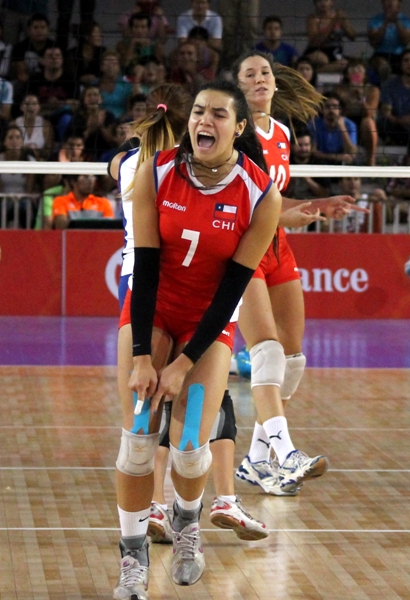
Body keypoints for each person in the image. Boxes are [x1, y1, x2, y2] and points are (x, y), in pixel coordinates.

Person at [112, 79, 282, 598]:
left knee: (189, 448)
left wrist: (185, 362)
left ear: (238, 127)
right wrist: (144, 356)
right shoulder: (156, 173)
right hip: (153, 312)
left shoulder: (260, 193)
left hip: (209, 322)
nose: (203, 122)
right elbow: (143, 266)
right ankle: (133, 557)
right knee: (139, 438)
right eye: (198, 113)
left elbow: (233, 288)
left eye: (217, 115)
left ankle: (188, 522)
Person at [232, 50, 367, 496]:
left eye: (264, 72)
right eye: (248, 74)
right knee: (266, 352)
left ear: (274, 81)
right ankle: (286, 453)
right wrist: (284, 215)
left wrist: (318, 206)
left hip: (277, 245)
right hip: (241, 247)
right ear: (238, 85)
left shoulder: (283, 134)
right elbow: (246, 203)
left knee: (292, 359)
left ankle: (255, 460)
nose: (259, 79)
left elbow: (277, 199)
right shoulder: (233, 131)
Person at [334, 59, 380, 165]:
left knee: (367, 122)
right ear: (347, 74)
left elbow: (369, 113)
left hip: (365, 127)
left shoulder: (373, 90)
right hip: (347, 123)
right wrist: (349, 98)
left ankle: (371, 159)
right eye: (352, 70)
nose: (356, 73)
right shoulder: (339, 90)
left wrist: (361, 99)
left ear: (364, 74)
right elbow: (339, 112)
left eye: (359, 70)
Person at [303, 0, 356, 72]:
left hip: (335, 51)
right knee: (322, 59)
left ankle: (315, 71)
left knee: (346, 64)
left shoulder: (339, 15)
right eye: (319, 1)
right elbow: (315, 42)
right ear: (315, 3)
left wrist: (345, 22)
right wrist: (334, 21)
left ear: (332, 2)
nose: (323, 3)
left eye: (326, 0)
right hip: (317, 50)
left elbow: (353, 37)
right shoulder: (312, 19)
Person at [367, 0, 410, 76]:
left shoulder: (406, 20)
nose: (389, 2)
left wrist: (396, 22)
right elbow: (374, 41)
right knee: (381, 65)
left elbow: (406, 40)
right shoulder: (375, 20)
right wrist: (385, 22)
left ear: (399, 5)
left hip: (400, 55)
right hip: (380, 54)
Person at [12, 94, 52, 159]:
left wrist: (37, 151)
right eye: (27, 104)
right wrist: (24, 149)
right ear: (21, 107)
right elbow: (8, 148)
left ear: (39, 107)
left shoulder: (46, 125)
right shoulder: (14, 124)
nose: (30, 107)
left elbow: (48, 151)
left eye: (34, 104)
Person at [67, 20, 104, 87]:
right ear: (86, 36)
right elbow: (68, 75)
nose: (101, 36)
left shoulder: (103, 52)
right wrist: (80, 79)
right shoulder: (72, 53)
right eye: (97, 33)